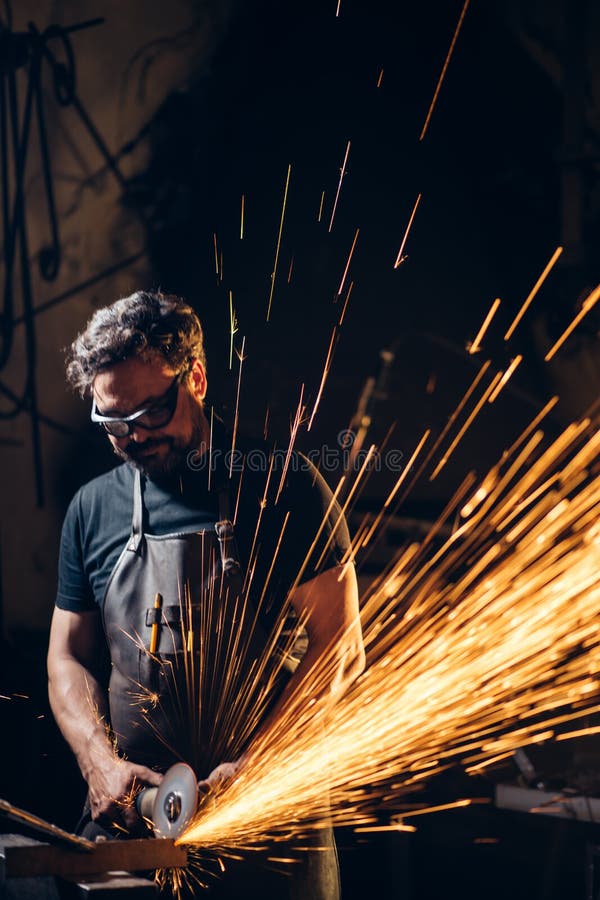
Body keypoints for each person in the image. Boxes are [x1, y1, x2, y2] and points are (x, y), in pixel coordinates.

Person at [47, 290, 365, 898]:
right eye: (113, 425)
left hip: (267, 839)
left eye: (151, 416)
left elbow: (341, 648)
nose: (134, 438)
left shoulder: (283, 488)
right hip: (133, 833)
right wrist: (98, 760)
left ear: (194, 378)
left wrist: (261, 763)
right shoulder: (93, 510)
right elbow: (66, 656)